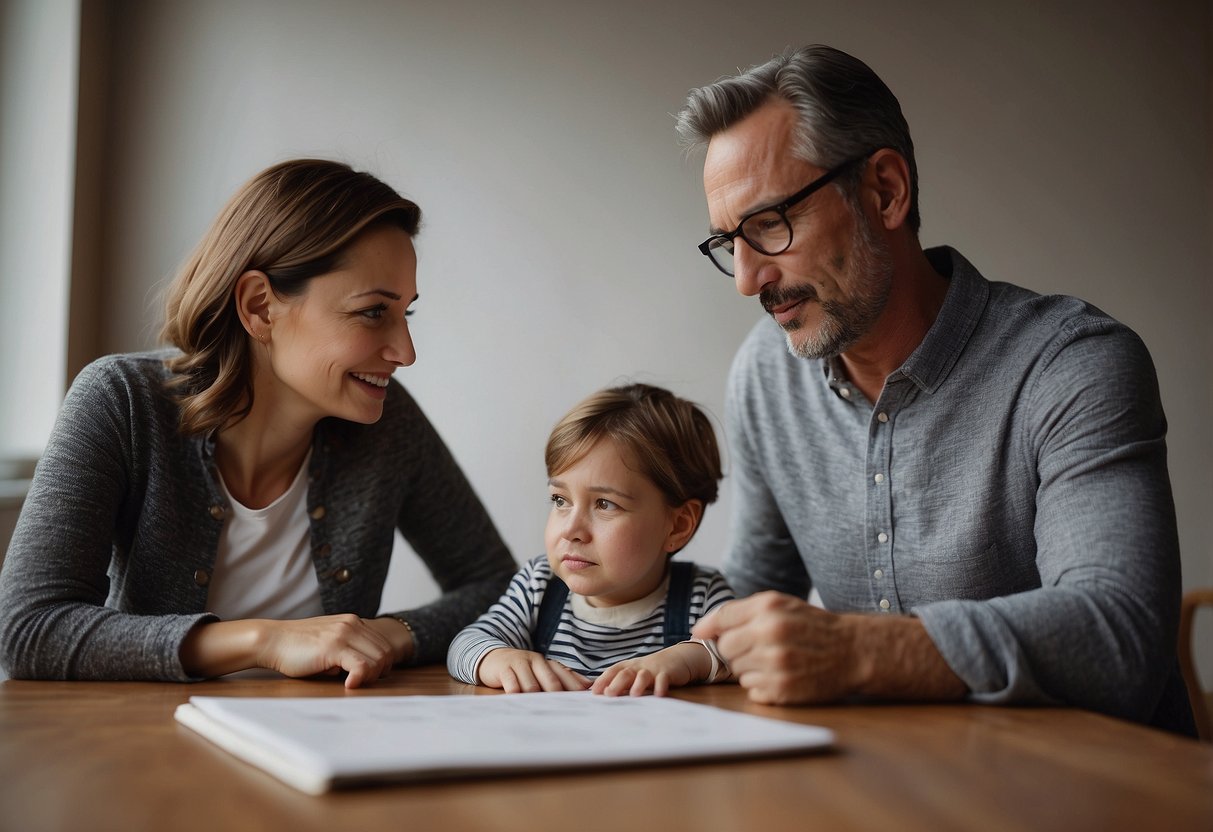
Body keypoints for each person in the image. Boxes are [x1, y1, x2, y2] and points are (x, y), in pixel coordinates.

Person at [675, 46, 1194, 734]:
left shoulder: (1072, 364)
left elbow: (1117, 634)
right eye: (728, 242)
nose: (747, 280)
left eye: (769, 225)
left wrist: (855, 650)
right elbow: (756, 592)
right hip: (894, 782)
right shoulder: (766, 373)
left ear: (885, 190)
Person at [0, 159, 516, 687]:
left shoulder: (388, 424)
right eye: (371, 312)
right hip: (145, 747)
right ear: (260, 306)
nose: (405, 352)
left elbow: (497, 586)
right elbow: (27, 629)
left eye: (404, 313)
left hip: (322, 749)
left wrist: (390, 632)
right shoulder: (122, 402)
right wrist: (266, 639)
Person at [447, 383, 734, 696]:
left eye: (604, 504)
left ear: (677, 525)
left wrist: (681, 659)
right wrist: (497, 657)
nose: (572, 530)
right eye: (560, 500)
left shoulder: (701, 596)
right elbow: (466, 643)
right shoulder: (538, 587)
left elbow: (742, 652)